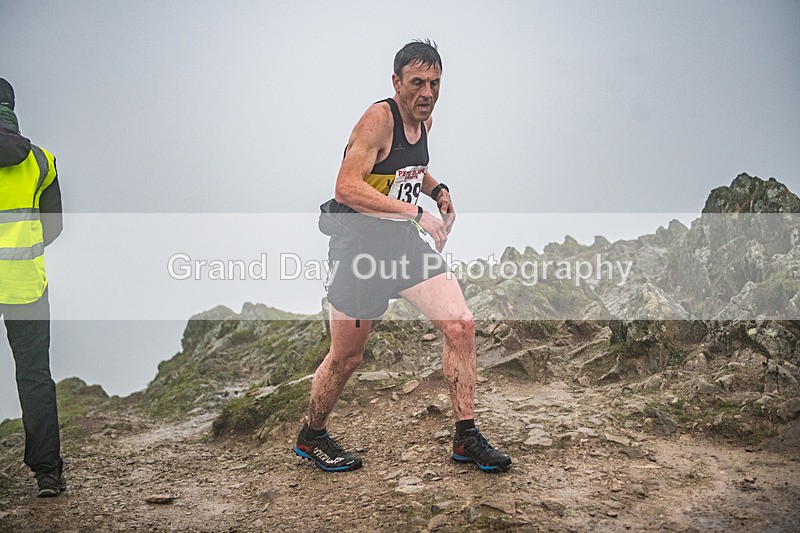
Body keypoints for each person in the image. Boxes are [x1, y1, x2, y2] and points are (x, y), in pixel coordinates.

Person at [293, 41, 511, 473]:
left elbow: (404, 167)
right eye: (417, 83)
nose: (427, 92)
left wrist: (436, 190)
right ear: (397, 83)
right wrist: (417, 212)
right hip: (359, 253)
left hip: (404, 249)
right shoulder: (378, 119)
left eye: (434, 83)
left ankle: (466, 437)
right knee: (346, 359)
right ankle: (312, 436)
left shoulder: (423, 120)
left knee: (461, 324)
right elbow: (346, 187)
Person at [0, 78, 66, 497]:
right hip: (25, 283)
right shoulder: (42, 161)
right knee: (34, 376)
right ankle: (47, 474)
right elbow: (54, 227)